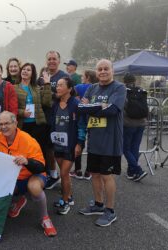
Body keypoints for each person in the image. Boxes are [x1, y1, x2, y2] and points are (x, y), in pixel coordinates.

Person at [0, 111, 57, 237]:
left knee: (33, 187)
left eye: (7, 123)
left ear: (15, 123)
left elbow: (41, 167)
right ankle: (18, 201)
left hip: (33, 176)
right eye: (1, 124)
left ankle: (45, 219)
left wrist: (27, 161)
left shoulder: (28, 141)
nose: (3, 127)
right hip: (14, 178)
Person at [78, 59, 126, 227]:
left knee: (107, 176)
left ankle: (110, 210)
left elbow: (113, 110)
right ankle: (98, 205)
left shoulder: (119, 88)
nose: (103, 71)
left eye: (106, 68)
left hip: (110, 141)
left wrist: (92, 107)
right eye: (100, 69)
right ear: (96, 72)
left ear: (112, 70)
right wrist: (101, 106)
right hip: (94, 141)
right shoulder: (92, 88)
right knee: (95, 174)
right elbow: (80, 108)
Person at [50, 77, 86, 215]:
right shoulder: (55, 104)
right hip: (58, 144)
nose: (57, 88)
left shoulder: (76, 104)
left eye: (61, 85)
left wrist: (80, 144)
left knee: (64, 173)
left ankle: (65, 202)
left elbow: (82, 126)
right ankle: (69, 196)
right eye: (57, 85)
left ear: (69, 88)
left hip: (71, 145)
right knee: (64, 175)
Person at [14, 63, 52, 175]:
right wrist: (22, 112)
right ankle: (23, 175)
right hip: (22, 126)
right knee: (23, 151)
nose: (25, 71)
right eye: (23, 69)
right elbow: (12, 107)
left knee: (39, 150)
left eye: (28, 70)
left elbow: (47, 102)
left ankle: (42, 174)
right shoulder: (13, 88)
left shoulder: (36, 88)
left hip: (38, 125)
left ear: (32, 73)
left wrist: (47, 84)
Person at [38, 51, 69, 189]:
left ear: (59, 60)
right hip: (44, 118)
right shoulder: (42, 75)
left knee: (60, 150)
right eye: (49, 59)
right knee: (48, 148)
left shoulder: (64, 76)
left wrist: (48, 88)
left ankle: (65, 179)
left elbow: (65, 96)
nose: (51, 61)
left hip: (59, 117)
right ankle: (53, 174)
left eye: (54, 59)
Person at [70, 69, 97, 180]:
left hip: (80, 118)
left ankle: (78, 170)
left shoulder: (79, 87)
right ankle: (89, 172)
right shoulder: (97, 88)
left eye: (83, 76)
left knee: (79, 142)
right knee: (91, 144)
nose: (81, 78)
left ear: (87, 77)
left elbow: (74, 99)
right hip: (93, 118)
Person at [122, 73, 148, 181]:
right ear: (134, 80)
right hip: (141, 123)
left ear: (124, 81)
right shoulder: (141, 91)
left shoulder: (124, 91)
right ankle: (131, 172)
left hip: (128, 124)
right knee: (135, 148)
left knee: (125, 148)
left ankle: (137, 169)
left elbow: (122, 107)